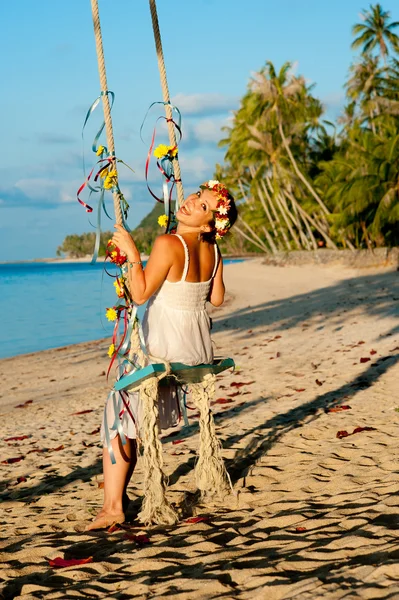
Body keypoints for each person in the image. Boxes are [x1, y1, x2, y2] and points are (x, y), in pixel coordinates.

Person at [86, 180, 237, 530]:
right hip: (195, 349)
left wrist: (132, 254)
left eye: (203, 206)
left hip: (165, 348)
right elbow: (215, 300)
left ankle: (112, 507)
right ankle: (117, 486)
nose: (191, 202)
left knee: (119, 412)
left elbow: (139, 294)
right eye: (198, 196)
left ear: (208, 223)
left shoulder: (169, 243)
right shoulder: (214, 252)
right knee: (135, 415)